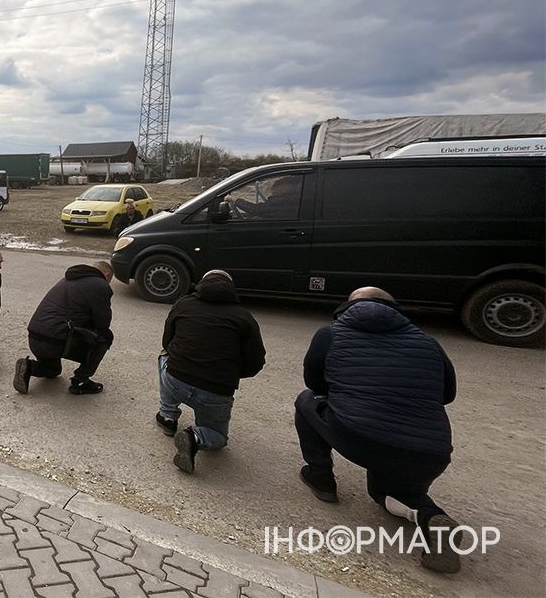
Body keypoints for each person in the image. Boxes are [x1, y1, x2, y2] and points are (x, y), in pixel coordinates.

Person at [295, 286, 461, 573]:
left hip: (358, 436)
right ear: (394, 307)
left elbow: (315, 383)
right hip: (429, 451)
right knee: (389, 492)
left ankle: (321, 478)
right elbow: (447, 395)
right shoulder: (428, 342)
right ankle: (429, 517)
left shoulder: (330, 333)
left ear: (348, 306)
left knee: (307, 401)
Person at [156, 269, 266, 474]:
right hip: (215, 392)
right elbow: (256, 362)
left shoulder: (183, 303)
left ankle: (167, 416)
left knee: (165, 356)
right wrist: (227, 374)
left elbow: (167, 341)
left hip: (175, 380)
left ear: (201, 284)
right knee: (218, 437)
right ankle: (195, 437)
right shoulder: (244, 317)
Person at [13, 261, 114, 396]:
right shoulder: (101, 285)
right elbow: (102, 322)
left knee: (53, 371)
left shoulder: (68, 279)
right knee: (105, 337)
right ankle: (81, 381)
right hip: (55, 341)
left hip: (35, 336)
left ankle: (29, 367)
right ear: (107, 275)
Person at [233, 175, 300, 219]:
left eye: (277, 186)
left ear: (287, 188)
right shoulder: (290, 199)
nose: (272, 189)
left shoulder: (283, 201)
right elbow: (262, 210)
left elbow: (256, 209)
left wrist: (235, 200)